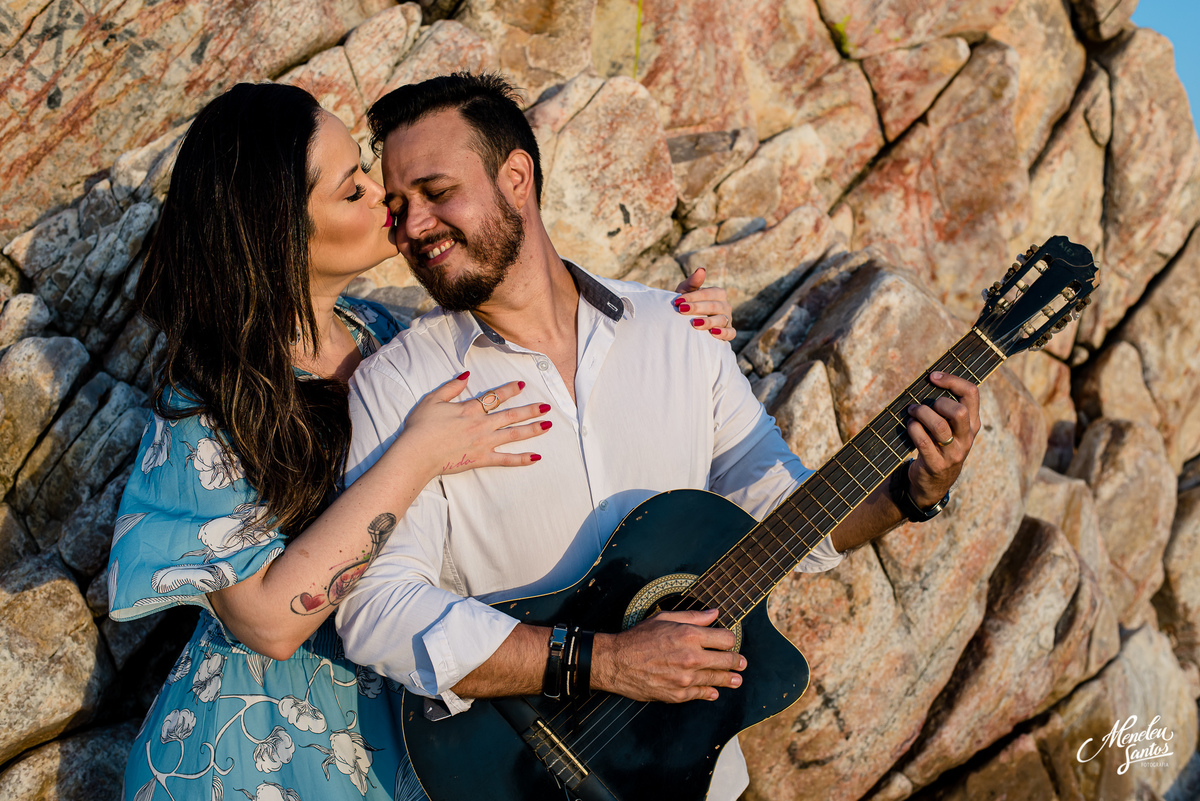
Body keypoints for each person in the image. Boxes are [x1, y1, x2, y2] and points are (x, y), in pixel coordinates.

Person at [336, 72, 982, 801]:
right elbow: (376, 605)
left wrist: (909, 495)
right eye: (398, 205)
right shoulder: (398, 383)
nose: (413, 226)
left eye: (435, 190)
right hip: (519, 772)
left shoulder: (680, 334)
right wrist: (602, 660)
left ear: (516, 176)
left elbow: (783, 514)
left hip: (697, 777)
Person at [106, 81, 735, 801]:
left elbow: (538, 321)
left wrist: (678, 319)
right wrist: (415, 456)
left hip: (400, 742)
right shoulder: (209, 402)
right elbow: (267, 620)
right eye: (354, 190)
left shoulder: (383, 335)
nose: (386, 198)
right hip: (245, 761)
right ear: (282, 230)